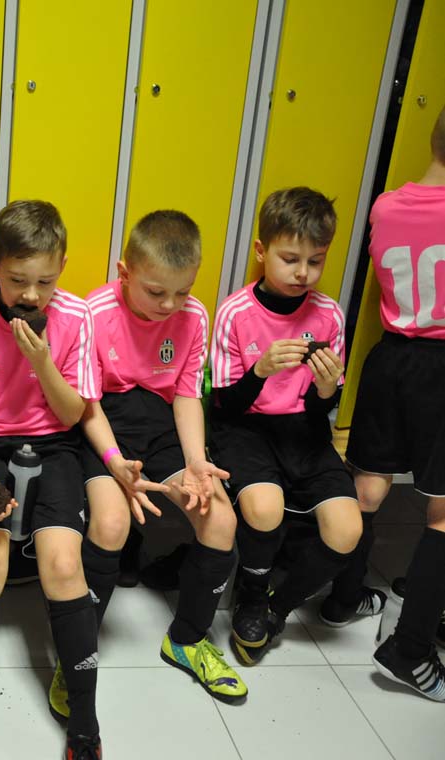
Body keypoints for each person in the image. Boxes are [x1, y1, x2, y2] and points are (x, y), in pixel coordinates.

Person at [0, 200, 102, 760]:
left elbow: (73, 414)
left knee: (63, 564)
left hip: (54, 442)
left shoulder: (76, 316)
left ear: (62, 270)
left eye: (45, 283)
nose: (31, 296)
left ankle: (85, 724)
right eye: (16, 281)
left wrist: (41, 363)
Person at [65, 210, 246, 714]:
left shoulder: (195, 316)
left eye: (182, 292)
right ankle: (77, 650)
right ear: (124, 273)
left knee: (220, 518)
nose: (170, 305)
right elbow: (86, 404)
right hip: (103, 426)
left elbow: (186, 394)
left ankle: (187, 640)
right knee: (111, 522)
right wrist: (115, 463)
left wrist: (195, 461)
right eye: (155, 292)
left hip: (163, 425)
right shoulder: (92, 312)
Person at [210, 187, 363, 664]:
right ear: (262, 251)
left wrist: (326, 389)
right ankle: (252, 594)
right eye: (291, 259)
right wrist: (259, 372)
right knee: (265, 509)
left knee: (347, 530)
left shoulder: (329, 314)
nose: (303, 273)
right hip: (245, 428)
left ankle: (277, 607)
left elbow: (321, 411)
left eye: (315, 261)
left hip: (303, 431)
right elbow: (224, 407)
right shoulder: (236, 312)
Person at [345, 107, 445, 700]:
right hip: (441, 364)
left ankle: (345, 596)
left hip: (389, 359)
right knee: (443, 514)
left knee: (369, 489)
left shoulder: (385, 205)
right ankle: (409, 650)